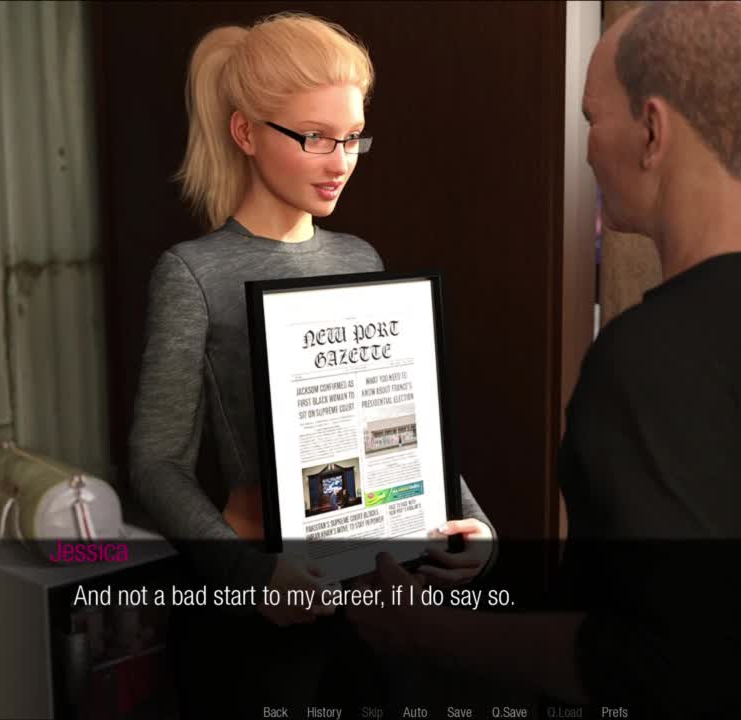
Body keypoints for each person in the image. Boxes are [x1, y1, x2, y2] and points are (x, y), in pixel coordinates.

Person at [347, 2, 741, 717]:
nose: (586, 150)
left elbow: (650, 663)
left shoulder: (645, 357)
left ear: (652, 130)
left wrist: (422, 630)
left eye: (591, 118)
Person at [127, 13, 496, 716]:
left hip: (374, 592)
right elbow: (156, 462)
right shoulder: (191, 273)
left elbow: (400, 423)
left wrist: (470, 522)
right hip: (265, 616)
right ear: (245, 133)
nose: (340, 161)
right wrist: (253, 576)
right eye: (316, 138)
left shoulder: (360, 258)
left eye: (353, 137)